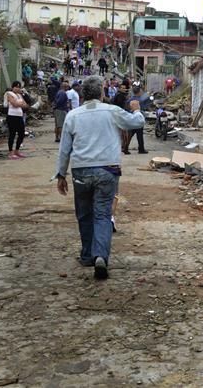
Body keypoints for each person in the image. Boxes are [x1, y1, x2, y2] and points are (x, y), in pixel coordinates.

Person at [55, 75, 145, 280]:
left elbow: (64, 149)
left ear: (82, 94)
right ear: (102, 93)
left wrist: (61, 174)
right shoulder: (112, 111)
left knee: (84, 214)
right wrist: (136, 108)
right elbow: (136, 122)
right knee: (102, 214)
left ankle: (87, 255)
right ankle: (100, 256)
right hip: (108, 170)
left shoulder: (73, 115)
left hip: (81, 171)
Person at [121, 82, 148, 155]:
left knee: (130, 134)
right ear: (139, 92)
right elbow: (143, 109)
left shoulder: (129, 100)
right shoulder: (140, 101)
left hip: (130, 119)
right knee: (139, 135)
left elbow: (125, 110)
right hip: (138, 120)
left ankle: (125, 148)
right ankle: (141, 149)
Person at [4, 81, 28, 159]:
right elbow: (14, 104)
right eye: (16, 87)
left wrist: (19, 104)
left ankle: (17, 150)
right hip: (12, 116)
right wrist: (20, 104)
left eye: (19, 87)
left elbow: (26, 105)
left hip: (19, 116)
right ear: (13, 87)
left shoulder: (20, 95)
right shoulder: (9, 94)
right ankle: (10, 152)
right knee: (12, 134)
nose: (18, 88)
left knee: (21, 133)